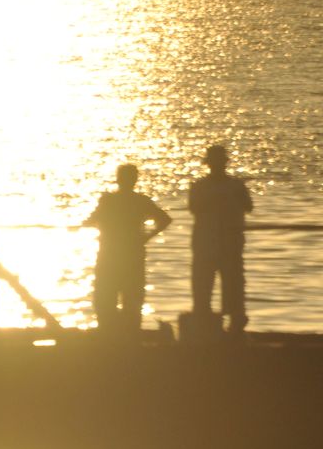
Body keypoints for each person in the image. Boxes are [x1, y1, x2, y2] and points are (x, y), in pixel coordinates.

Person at [85, 163, 171, 332]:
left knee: (106, 298)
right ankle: (128, 337)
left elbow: (91, 220)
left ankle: (109, 336)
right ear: (134, 180)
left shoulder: (109, 200)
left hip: (111, 256)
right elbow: (165, 220)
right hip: (131, 255)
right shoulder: (140, 201)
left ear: (119, 180)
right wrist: (146, 237)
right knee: (131, 299)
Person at [190, 143, 253, 333]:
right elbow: (195, 209)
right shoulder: (201, 186)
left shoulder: (234, 186)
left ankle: (234, 325)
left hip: (228, 242)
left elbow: (248, 206)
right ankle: (205, 325)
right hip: (207, 242)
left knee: (232, 284)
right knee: (204, 286)